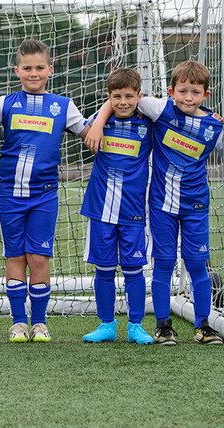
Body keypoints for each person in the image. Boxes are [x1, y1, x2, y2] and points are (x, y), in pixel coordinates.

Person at [86, 60, 224, 345]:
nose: (187, 97)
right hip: (160, 206)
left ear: (205, 94)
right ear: (171, 92)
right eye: (182, 91)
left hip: (196, 206)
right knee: (163, 263)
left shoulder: (212, 126)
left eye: (194, 92)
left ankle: (203, 326)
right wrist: (99, 123)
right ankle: (163, 326)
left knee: (196, 265)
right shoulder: (159, 109)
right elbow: (121, 97)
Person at [0, 39, 89, 343]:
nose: (33, 73)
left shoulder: (63, 105)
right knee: (15, 256)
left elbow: (89, 132)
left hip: (44, 195)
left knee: (39, 258)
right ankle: (19, 322)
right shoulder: (4, 103)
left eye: (39, 68)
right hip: (9, 193)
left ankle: (40, 323)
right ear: (17, 71)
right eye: (27, 68)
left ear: (50, 69)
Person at [79, 68, 154, 345]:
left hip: (134, 211)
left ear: (139, 96)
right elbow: (81, 127)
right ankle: (106, 324)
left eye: (129, 96)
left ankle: (135, 324)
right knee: (104, 269)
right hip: (100, 210)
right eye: (117, 97)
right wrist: (99, 122)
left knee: (134, 269)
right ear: (109, 97)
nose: (123, 102)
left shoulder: (149, 123)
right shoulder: (97, 123)